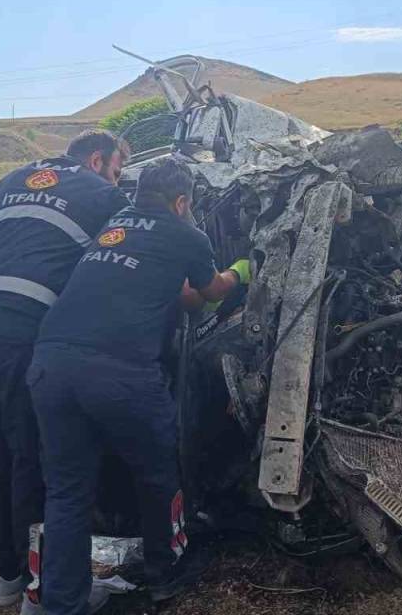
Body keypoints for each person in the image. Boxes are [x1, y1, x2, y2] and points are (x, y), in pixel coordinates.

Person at [28, 159, 247, 614]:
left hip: (50, 364)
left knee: (67, 490)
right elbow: (209, 291)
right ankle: (164, 573)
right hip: (120, 372)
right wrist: (243, 270)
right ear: (182, 201)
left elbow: (168, 290)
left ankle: (61, 603)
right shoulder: (186, 233)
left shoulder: (114, 225)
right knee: (158, 469)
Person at [0, 130, 131, 609]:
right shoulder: (102, 192)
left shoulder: (12, 178)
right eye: (117, 167)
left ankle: (7, 577)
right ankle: (41, 591)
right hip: (22, 329)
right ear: (98, 159)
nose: (117, 177)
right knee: (32, 453)